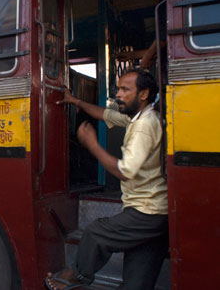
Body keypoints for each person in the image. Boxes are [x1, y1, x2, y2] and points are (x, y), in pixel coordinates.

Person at [45, 69, 168, 290]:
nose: (118, 94)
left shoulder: (144, 126)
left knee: (96, 233)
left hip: (147, 212)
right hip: (155, 213)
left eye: (125, 89)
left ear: (143, 94)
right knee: (137, 284)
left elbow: (124, 171)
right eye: (118, 88)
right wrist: (76, 101)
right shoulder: (139, 117)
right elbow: (105, 114)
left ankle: (78, 276)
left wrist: (92, 143)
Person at [117, 0, 167, 71]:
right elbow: (158, 49)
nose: (156, 0)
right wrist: (131, 55)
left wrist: (146, 58)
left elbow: (162, 40)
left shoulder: (163, 5)